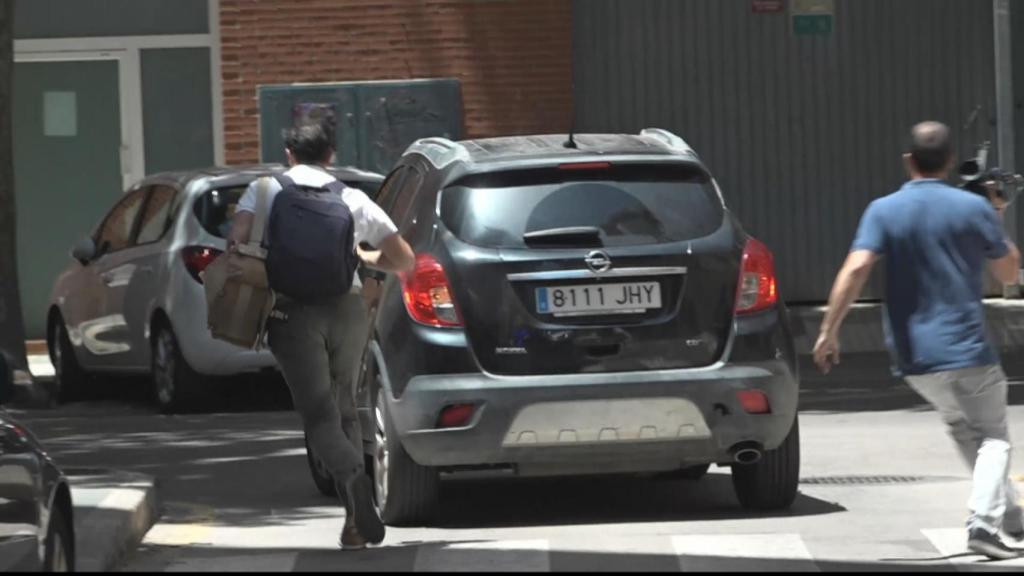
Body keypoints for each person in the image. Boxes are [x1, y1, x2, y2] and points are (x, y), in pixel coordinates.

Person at [814, 121, 1024, 561]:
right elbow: (1008, 273)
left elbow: (855, 270)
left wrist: (828, 331)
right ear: (949, 162)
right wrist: (996, 216)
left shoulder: (883, 210)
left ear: (908, 161)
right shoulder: (973, 209)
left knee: (964, 428)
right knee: (994, 438)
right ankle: (983, 524)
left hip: (915, 357)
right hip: (967, 350)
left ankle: (1010, 516)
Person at [229, 122, 415, 550]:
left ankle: (352, 477)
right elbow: (403, 259)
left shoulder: (264, 190)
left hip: (291, 311)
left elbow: (236, 241)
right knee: (346, 407)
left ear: (289, 153)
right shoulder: (352, 198)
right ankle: (354, 526)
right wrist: (367, 257)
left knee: (318, 414)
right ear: (331, 155)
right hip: (347, 307)